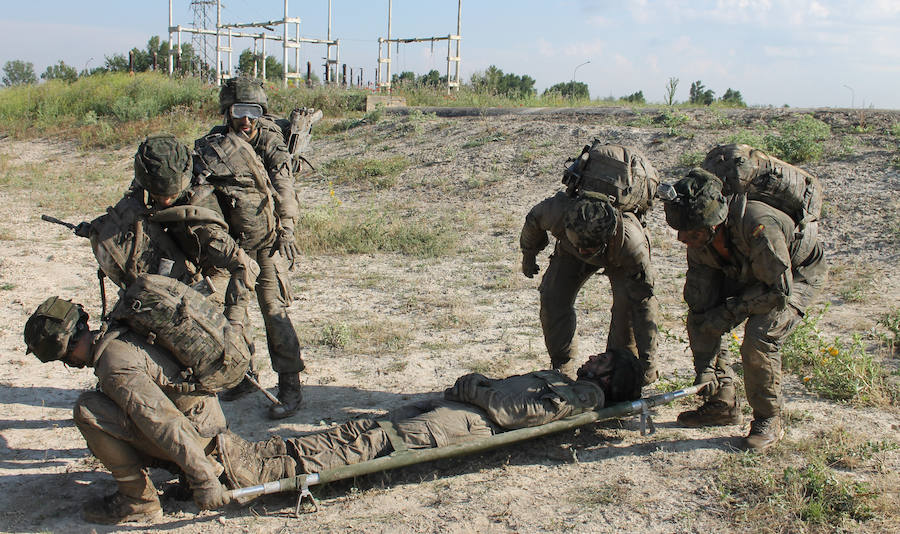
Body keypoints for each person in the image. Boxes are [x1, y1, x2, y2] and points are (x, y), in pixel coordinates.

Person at [214, 349, 645, 491]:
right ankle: (262, 452)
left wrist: (474, 390)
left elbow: (519, 414)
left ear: (610, 378)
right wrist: (477, 384)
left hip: (470, 423)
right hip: (461, 407)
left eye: (602, 359)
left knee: (373, 444)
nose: (592, 357)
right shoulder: (560, 378)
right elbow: (510, 391)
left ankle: (261, 473)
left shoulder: (586, 395)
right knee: (361, 430)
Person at [23, 297, 231, 524]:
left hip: (197, 439)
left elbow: (163, 421)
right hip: (205, 429)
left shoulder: (114, 366)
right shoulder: (117, 333)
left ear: (65, 353)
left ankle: (138, 500)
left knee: (87, 411)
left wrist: (204, 480)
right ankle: (197, 466)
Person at [662, 168, 825, 450]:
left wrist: (730, 312)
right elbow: (701, 304)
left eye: (689, 233)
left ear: (713, 225)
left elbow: (777, 292)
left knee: (760, 337)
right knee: (701, 316)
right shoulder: (699, 238)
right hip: (744, 269)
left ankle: (768, 419)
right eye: (680, 232)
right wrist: (705, 369)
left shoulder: (760, 226)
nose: (681, 240)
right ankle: (721, 403)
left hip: (792, 277)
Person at [193, 76, 304, 419]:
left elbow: (285, 187)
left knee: (274, 311)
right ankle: (243, 375)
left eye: (253, 111)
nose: (245, 119)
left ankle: (290, 385)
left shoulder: (270, 142)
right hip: (234, 247)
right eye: (238, 110)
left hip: (269, 243)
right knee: (233, 315)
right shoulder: (214, 146)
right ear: (227, 111)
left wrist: (287, 229)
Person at [519, 192, 659, 385]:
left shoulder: (631, 244)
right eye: (581, 247)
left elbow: (643, 306)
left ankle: (616, 373)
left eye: (588, 249)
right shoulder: (558, 212)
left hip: (618, 258)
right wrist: (529, 254)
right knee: (553, 298)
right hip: (569, 250)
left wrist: (648, 364)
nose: (583, 252)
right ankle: (562, 368)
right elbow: (533, 219)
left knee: (625, 313)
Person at [129, 133, 259, 333]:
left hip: (215, 272)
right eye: (158, 195)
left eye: (170, 196)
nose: (163, 201)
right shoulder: (150, 178)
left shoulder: (204, 226)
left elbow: (245, 267)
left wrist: (234, 323)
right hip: (177, 262)